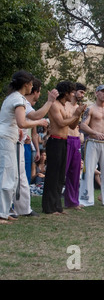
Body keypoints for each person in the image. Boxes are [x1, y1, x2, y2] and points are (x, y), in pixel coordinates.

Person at [0, 71, 48, 224]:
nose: (32, 87)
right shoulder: (18, 99)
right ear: (26, 84)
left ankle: (5, 210)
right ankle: (1, 213)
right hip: (6, 139)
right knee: (6, 177)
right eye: (31, 84)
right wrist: (39, 122)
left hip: (9, 138)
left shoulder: (13, 98)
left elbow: (15, 123)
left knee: (12, 177)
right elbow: (22, 122)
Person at [13, 78, 58, 217]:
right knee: (12, 177)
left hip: (23, 144)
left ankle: (23, 208)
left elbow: (32, 121)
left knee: (22, 177)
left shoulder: (23, 102)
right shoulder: (20, 101)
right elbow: (36, 116)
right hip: (13, 142)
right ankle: (10, 208)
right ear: (34, 91)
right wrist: (50, 101)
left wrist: (36, 149)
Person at [42, 81, 86, 214]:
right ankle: (49, 207)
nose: (73, 94)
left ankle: (57, 206)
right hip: (55, 141)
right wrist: (74, 115)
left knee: (61, 176)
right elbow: (61, 123)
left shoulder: (64, 106)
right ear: (66, 93)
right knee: (53, 175)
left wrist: (78, 114)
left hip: (64, 142)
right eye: (71, 92)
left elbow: (72, 126)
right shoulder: (54, 105)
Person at [79, 85, 104, 208]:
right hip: (92, 142)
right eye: (102, 91)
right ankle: (86, 199)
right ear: (96, 93)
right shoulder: (90, 109)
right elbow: (82, 125)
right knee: (89, 170)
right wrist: (95, 133)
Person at [64, 82, 86, 210]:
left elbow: (77, 124)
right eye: (81, 92)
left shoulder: (79, 107)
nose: (82, 95)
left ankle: (72, 201)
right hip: (65, 138)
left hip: (76, 139)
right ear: (74, 91)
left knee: (75, 172)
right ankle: (56, 200)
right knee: (63, 171)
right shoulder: (65, 104)